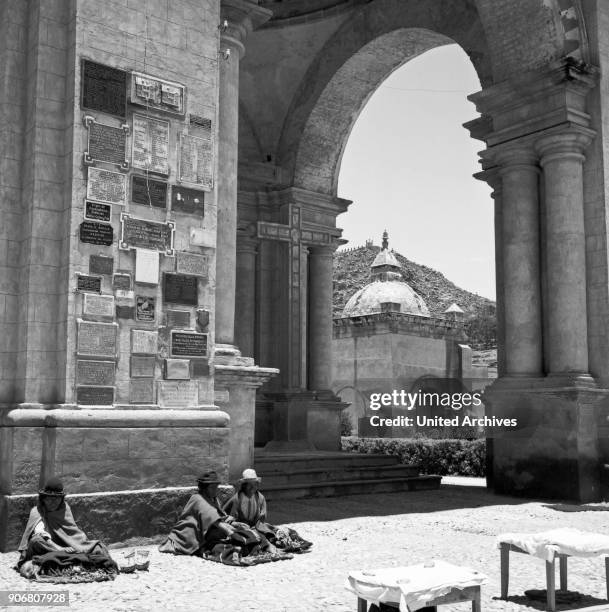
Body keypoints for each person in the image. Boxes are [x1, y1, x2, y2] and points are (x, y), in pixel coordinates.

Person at [159, 471, 283, 565]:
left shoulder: (213, 499)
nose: (216, 490)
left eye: (216, 487)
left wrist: (235, 524)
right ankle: (251, 551)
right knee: (230, 545)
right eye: (213, 488)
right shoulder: (197, 499)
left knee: (248, 535)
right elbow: (212, 517)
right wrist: (230, 531)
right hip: (192, 538)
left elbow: (222, 516)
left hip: (211, 533)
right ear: (204, 488)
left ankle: (267, 548)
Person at [17, 477, 117, 580]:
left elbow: (72, 532)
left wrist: (78, 545)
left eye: (57, 499)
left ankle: (69, 555)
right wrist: (59, 548)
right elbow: (39, 532)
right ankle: (68, 555)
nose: (53, 502)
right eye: (49, 499)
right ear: (43, 499)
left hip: (68, 545)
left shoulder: (65, 508)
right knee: (36, 541)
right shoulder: (37, 511)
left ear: (61, 499)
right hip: (49, 546)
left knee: (97, 546)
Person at [223, 468, 312, 553]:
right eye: (249, 485)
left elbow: (261, 520)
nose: (252, 487)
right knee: (253, 538)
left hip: (256, 527)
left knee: (276, 532)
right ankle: (271, 547)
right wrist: (237, 524)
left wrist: (258, 524)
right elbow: (226, 519)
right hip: (241, 529)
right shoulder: (237, 499)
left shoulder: (260, 498)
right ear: (244, 485)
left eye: (254, 484)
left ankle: (293, 543)